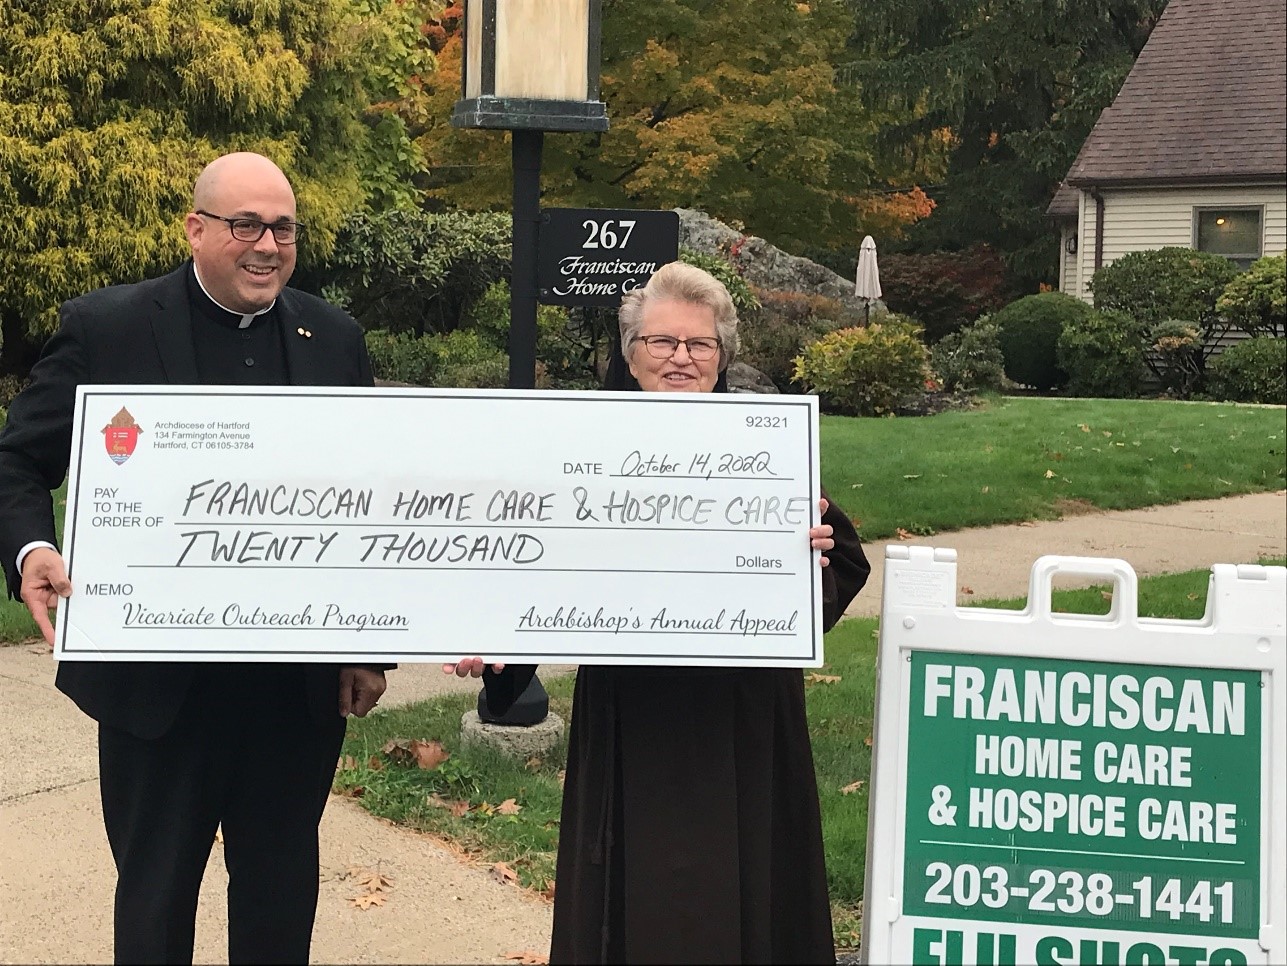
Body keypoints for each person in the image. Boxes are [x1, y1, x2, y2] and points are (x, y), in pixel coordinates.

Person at [0, 152, 389, 965]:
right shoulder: (107, 327)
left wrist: (364, 648)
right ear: (197, 229)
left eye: (282, 228)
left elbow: (366, 495)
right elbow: (17, 461)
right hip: (158, 688)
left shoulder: (334, 338)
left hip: (293, 691)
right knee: (154, 896)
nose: (267, 246)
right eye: (246, 225)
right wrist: (34, 547)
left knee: (281, 894)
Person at [461, 261, 871, 963]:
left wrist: (814, 558)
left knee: (750, 888)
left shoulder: (763, 447)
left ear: (721, 356)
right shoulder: (578, 451)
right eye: (662, 342)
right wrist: (499, 647)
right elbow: (535, 565)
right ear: (631, 354)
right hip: (632, 710)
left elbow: (840, 569)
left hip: (741, 715)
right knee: (633, 896)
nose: (681, 357)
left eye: (699, 344)